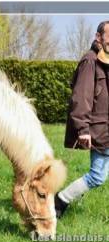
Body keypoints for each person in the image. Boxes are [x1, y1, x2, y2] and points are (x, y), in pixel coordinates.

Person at [55, 21, 109, 217]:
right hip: (101, 130)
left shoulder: (106, 60)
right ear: (98, 37)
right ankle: (60, 201)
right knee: (97, 176)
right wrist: (83, 129)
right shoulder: (90, 60)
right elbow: (81, 96)